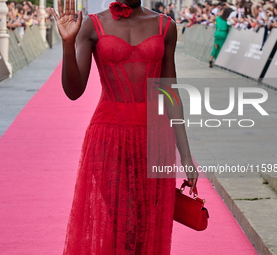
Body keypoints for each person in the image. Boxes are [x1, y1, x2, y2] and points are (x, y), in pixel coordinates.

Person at [51, 0, 199, 254]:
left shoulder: (165, 26)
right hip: (109, 138)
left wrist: (185, 155)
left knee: (147, 224)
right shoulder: (92, 25)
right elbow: (74, 91)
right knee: (125, 223)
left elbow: (170, 93)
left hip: (156, 140)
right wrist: (68, 44)